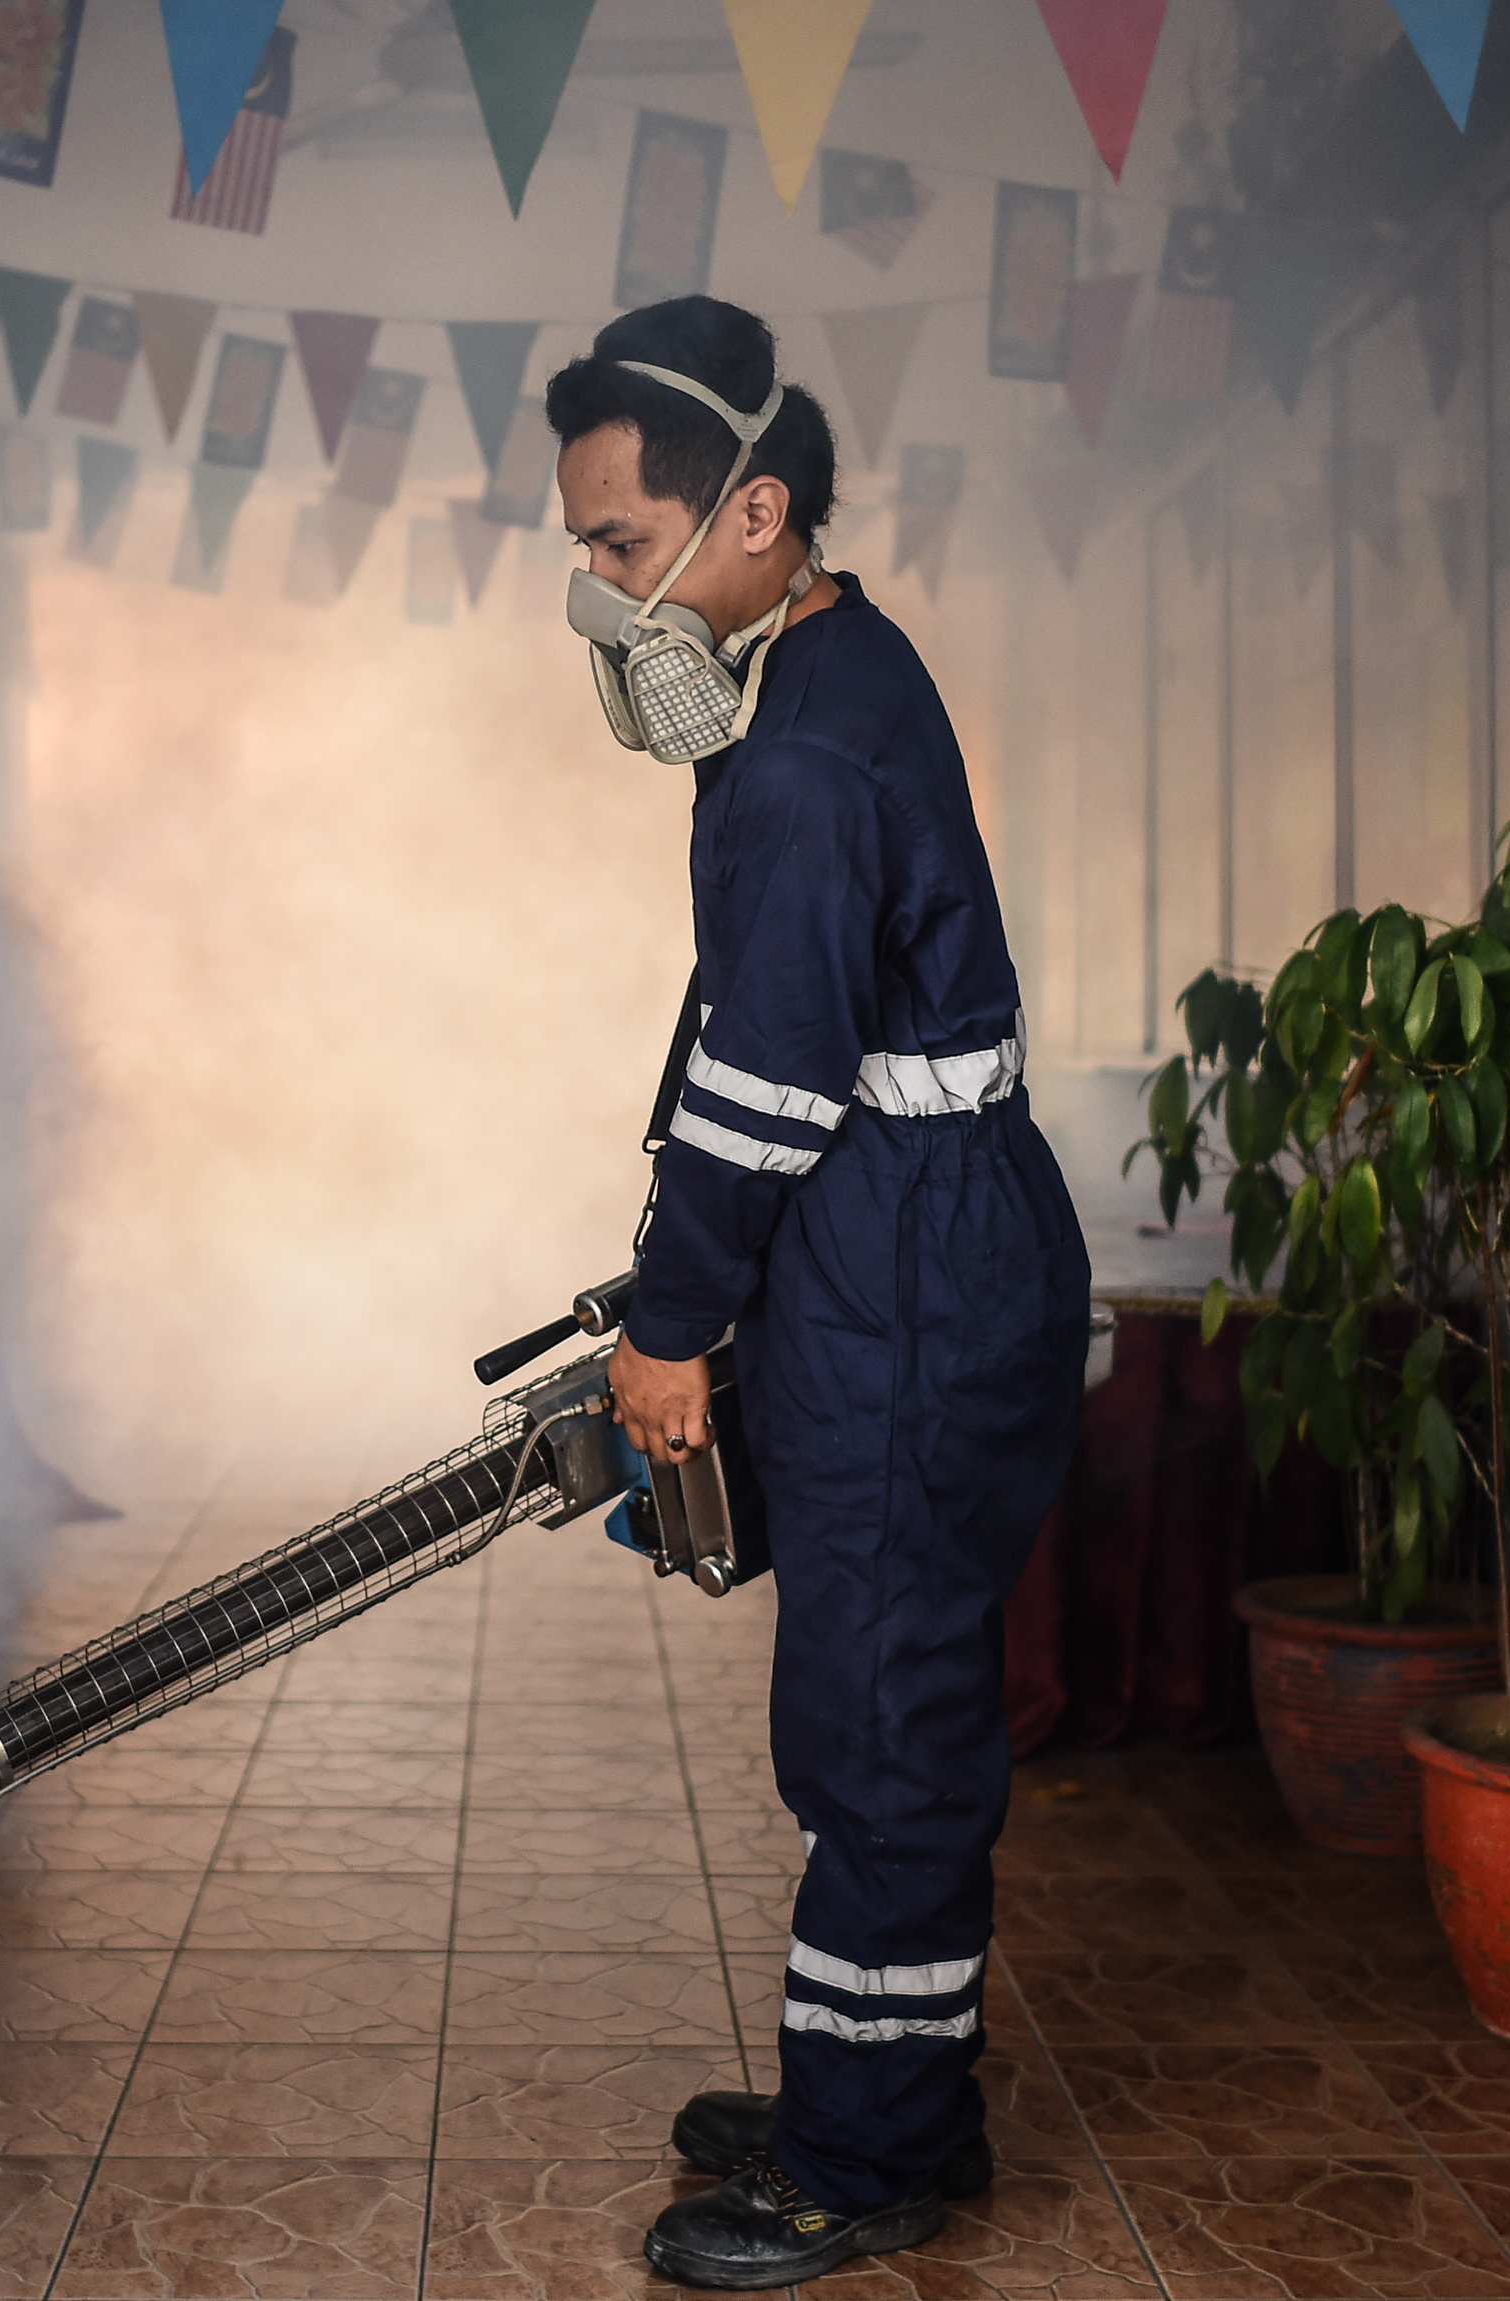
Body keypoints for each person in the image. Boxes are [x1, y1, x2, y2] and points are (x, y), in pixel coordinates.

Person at [542, 297, 1091, 2290]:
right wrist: (683, 1280)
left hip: (908, 1266)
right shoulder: (822, 675)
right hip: (899, 1232)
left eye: (619, 548)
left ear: (750, 513)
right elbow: (769, 1057)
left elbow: (773, 1080)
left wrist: (676, 1328)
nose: (599, 596)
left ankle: (863, 2164)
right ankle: (885, 2104)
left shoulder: (805, 758)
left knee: (880, 1726)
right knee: (871, 1705)